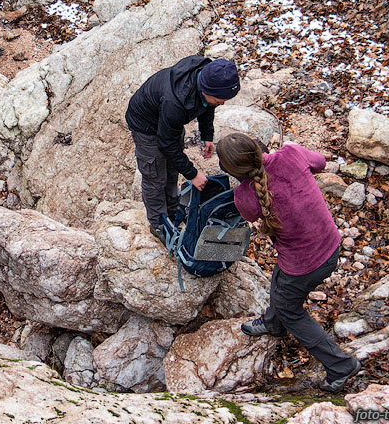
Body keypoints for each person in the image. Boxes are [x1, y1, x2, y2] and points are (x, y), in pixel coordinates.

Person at [216, 132, 362, 394]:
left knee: (290, 309)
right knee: (281, 282)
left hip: (304, 264)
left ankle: (340, 365)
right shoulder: (291, 154)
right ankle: (274, 323)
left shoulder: (245, 196)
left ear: (234, 171)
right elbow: (320, 162)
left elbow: (250, 214)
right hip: (329, 242)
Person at [125, 57, 241, 244]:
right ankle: (159, 225)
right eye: (220, 100)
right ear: (206, 89)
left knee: (172, 170)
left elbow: (207, 106)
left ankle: (172, 212)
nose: (223, 104)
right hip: (146, 126)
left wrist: (207, 135)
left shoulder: (208, 75)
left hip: (169, 124)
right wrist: (193, 174)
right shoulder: (176, 102)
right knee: (155, 177)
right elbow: (166, 144)